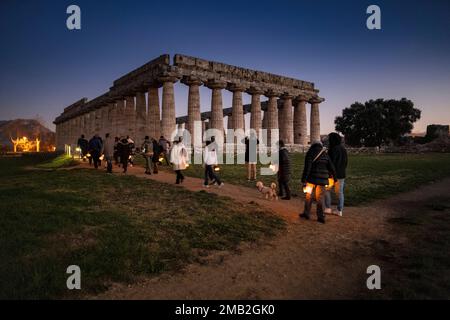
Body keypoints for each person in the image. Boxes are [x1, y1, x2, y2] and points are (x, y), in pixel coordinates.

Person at [300, 141, 336, 224]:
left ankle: (306, 213)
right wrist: (335, 178)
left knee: (308, 196)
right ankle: (321, 217)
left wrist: (304, 179)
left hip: (311, 180)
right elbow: (331, 167)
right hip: (322, 180)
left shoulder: (310, 153)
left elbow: (307, 167)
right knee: (320, 198)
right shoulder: (325, 154)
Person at [324, 133, 348, 217]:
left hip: (332, 175)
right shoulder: (343, 149)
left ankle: (328, 208)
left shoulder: (332, 149)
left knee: (327, 190)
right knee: (340, 193)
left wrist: (329, 172)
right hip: (341, 174)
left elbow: (330, 163)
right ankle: (339, 210)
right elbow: (345, 162)